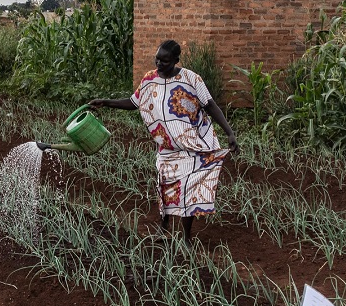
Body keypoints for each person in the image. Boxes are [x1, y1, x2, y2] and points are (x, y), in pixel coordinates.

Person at [89, 39, 239, 243]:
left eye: (165, 61)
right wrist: (106, 102)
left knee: (187, 190)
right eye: (157, 59)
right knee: (165, 187)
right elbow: (134, 102)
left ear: (176, 60)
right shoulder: (149, 80)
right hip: (166, 146)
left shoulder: (191, 79)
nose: (159, 64)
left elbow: (210, 106)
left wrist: (229, 133)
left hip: (191, 145)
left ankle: (186, 237)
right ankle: (164, 226)